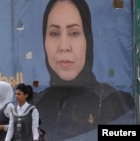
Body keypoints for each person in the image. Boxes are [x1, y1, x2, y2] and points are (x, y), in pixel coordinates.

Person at [34, 0, 135, 141]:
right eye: (54, 33)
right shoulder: (36, 104)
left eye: (74, 33)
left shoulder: (116, 104)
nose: (64, 46)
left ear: (88, 39)